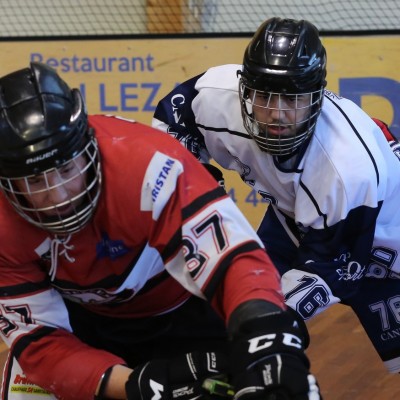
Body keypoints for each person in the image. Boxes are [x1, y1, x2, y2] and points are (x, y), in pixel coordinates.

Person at [0, 62, 321, 400]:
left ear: (87, 145)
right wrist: (137, 385)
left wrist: (265, 333)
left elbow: (231, 258)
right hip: (78, 320)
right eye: (35, 180)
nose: (58, 195)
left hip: (180, 312)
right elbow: (40, 343)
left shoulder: (147, 164)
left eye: (66, 169)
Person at [152, 16, 400, 377]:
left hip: (383, 246)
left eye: (292, 99)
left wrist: (270, 322)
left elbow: (331, 268)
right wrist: (199, 190)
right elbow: (172, 124)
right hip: (295, 219)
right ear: (244, 89)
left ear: (317, 98)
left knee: (264, 323)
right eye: (264, 96)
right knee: (229, 311)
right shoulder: (215, 97)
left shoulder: (347, 169)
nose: (276, 115)